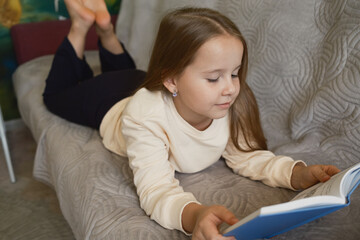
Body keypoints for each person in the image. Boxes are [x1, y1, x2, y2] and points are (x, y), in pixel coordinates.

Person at [43, 0, 341, 239]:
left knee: (127, 74)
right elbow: (156, 190)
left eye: (235, 73)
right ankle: (82, 27)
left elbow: (247, 157)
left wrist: (297, 173)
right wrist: (193, 214)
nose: (230, 88)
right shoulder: (144, 117)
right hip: (109, 101)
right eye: (214, 78)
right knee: (56, 96)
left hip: (142, 81)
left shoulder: (227, 102)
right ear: (172, 80)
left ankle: (107, 30)